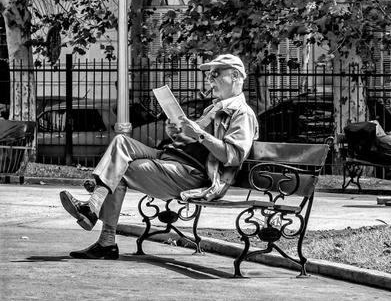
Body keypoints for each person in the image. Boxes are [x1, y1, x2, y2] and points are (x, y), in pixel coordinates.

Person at [59, 54, 259, 259]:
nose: (210, 79)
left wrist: (199, 134)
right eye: (209, 75)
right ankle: (95, 208)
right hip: (171, 158)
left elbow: (232, 156)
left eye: (216, 73)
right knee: (121, 142)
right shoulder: (214, 107)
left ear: (235, 75)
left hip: (193, 175)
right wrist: (177, 133)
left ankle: (102, 230)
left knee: (120, 169)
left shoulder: (242, 113)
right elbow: (191, 144)